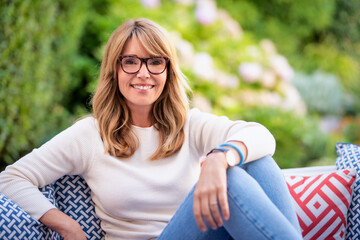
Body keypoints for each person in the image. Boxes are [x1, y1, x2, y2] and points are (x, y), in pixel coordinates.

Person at [0, 18, 303, 240]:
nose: (143, 73)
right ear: (114, 70)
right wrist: (66, 225)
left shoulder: (189, 125)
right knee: (233, 180)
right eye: (130, 62)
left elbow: (261, 136)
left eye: (155, 62)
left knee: (254, 161)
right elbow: (11, 178)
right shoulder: (91, 135)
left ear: (168, 71)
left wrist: (217, 159)